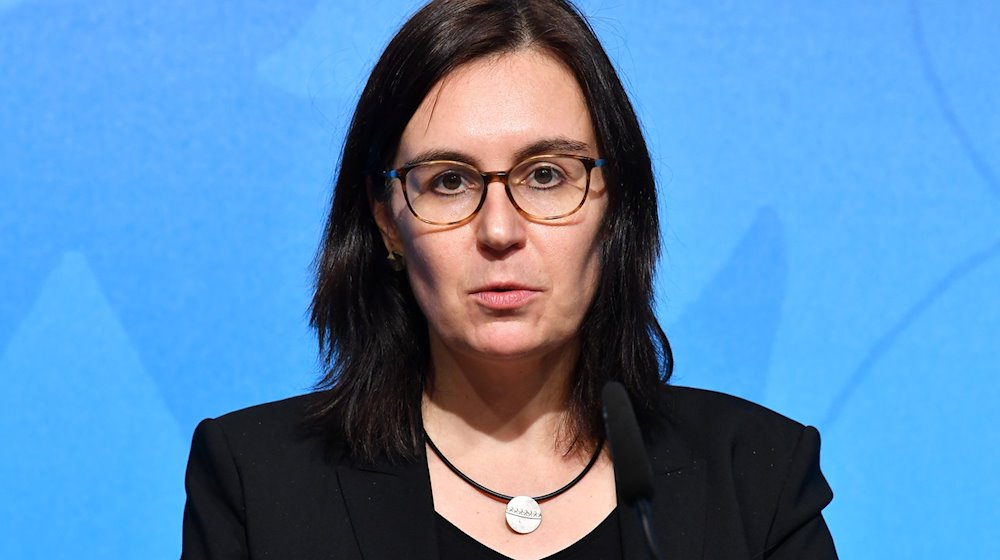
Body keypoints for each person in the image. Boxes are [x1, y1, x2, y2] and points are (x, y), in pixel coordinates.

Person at [181, 0, 838, 558]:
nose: (499, 231)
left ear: (615, 206)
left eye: (546, 175)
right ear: (387, 223)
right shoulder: (258, 482)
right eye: (448, 181)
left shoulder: (756, 479)